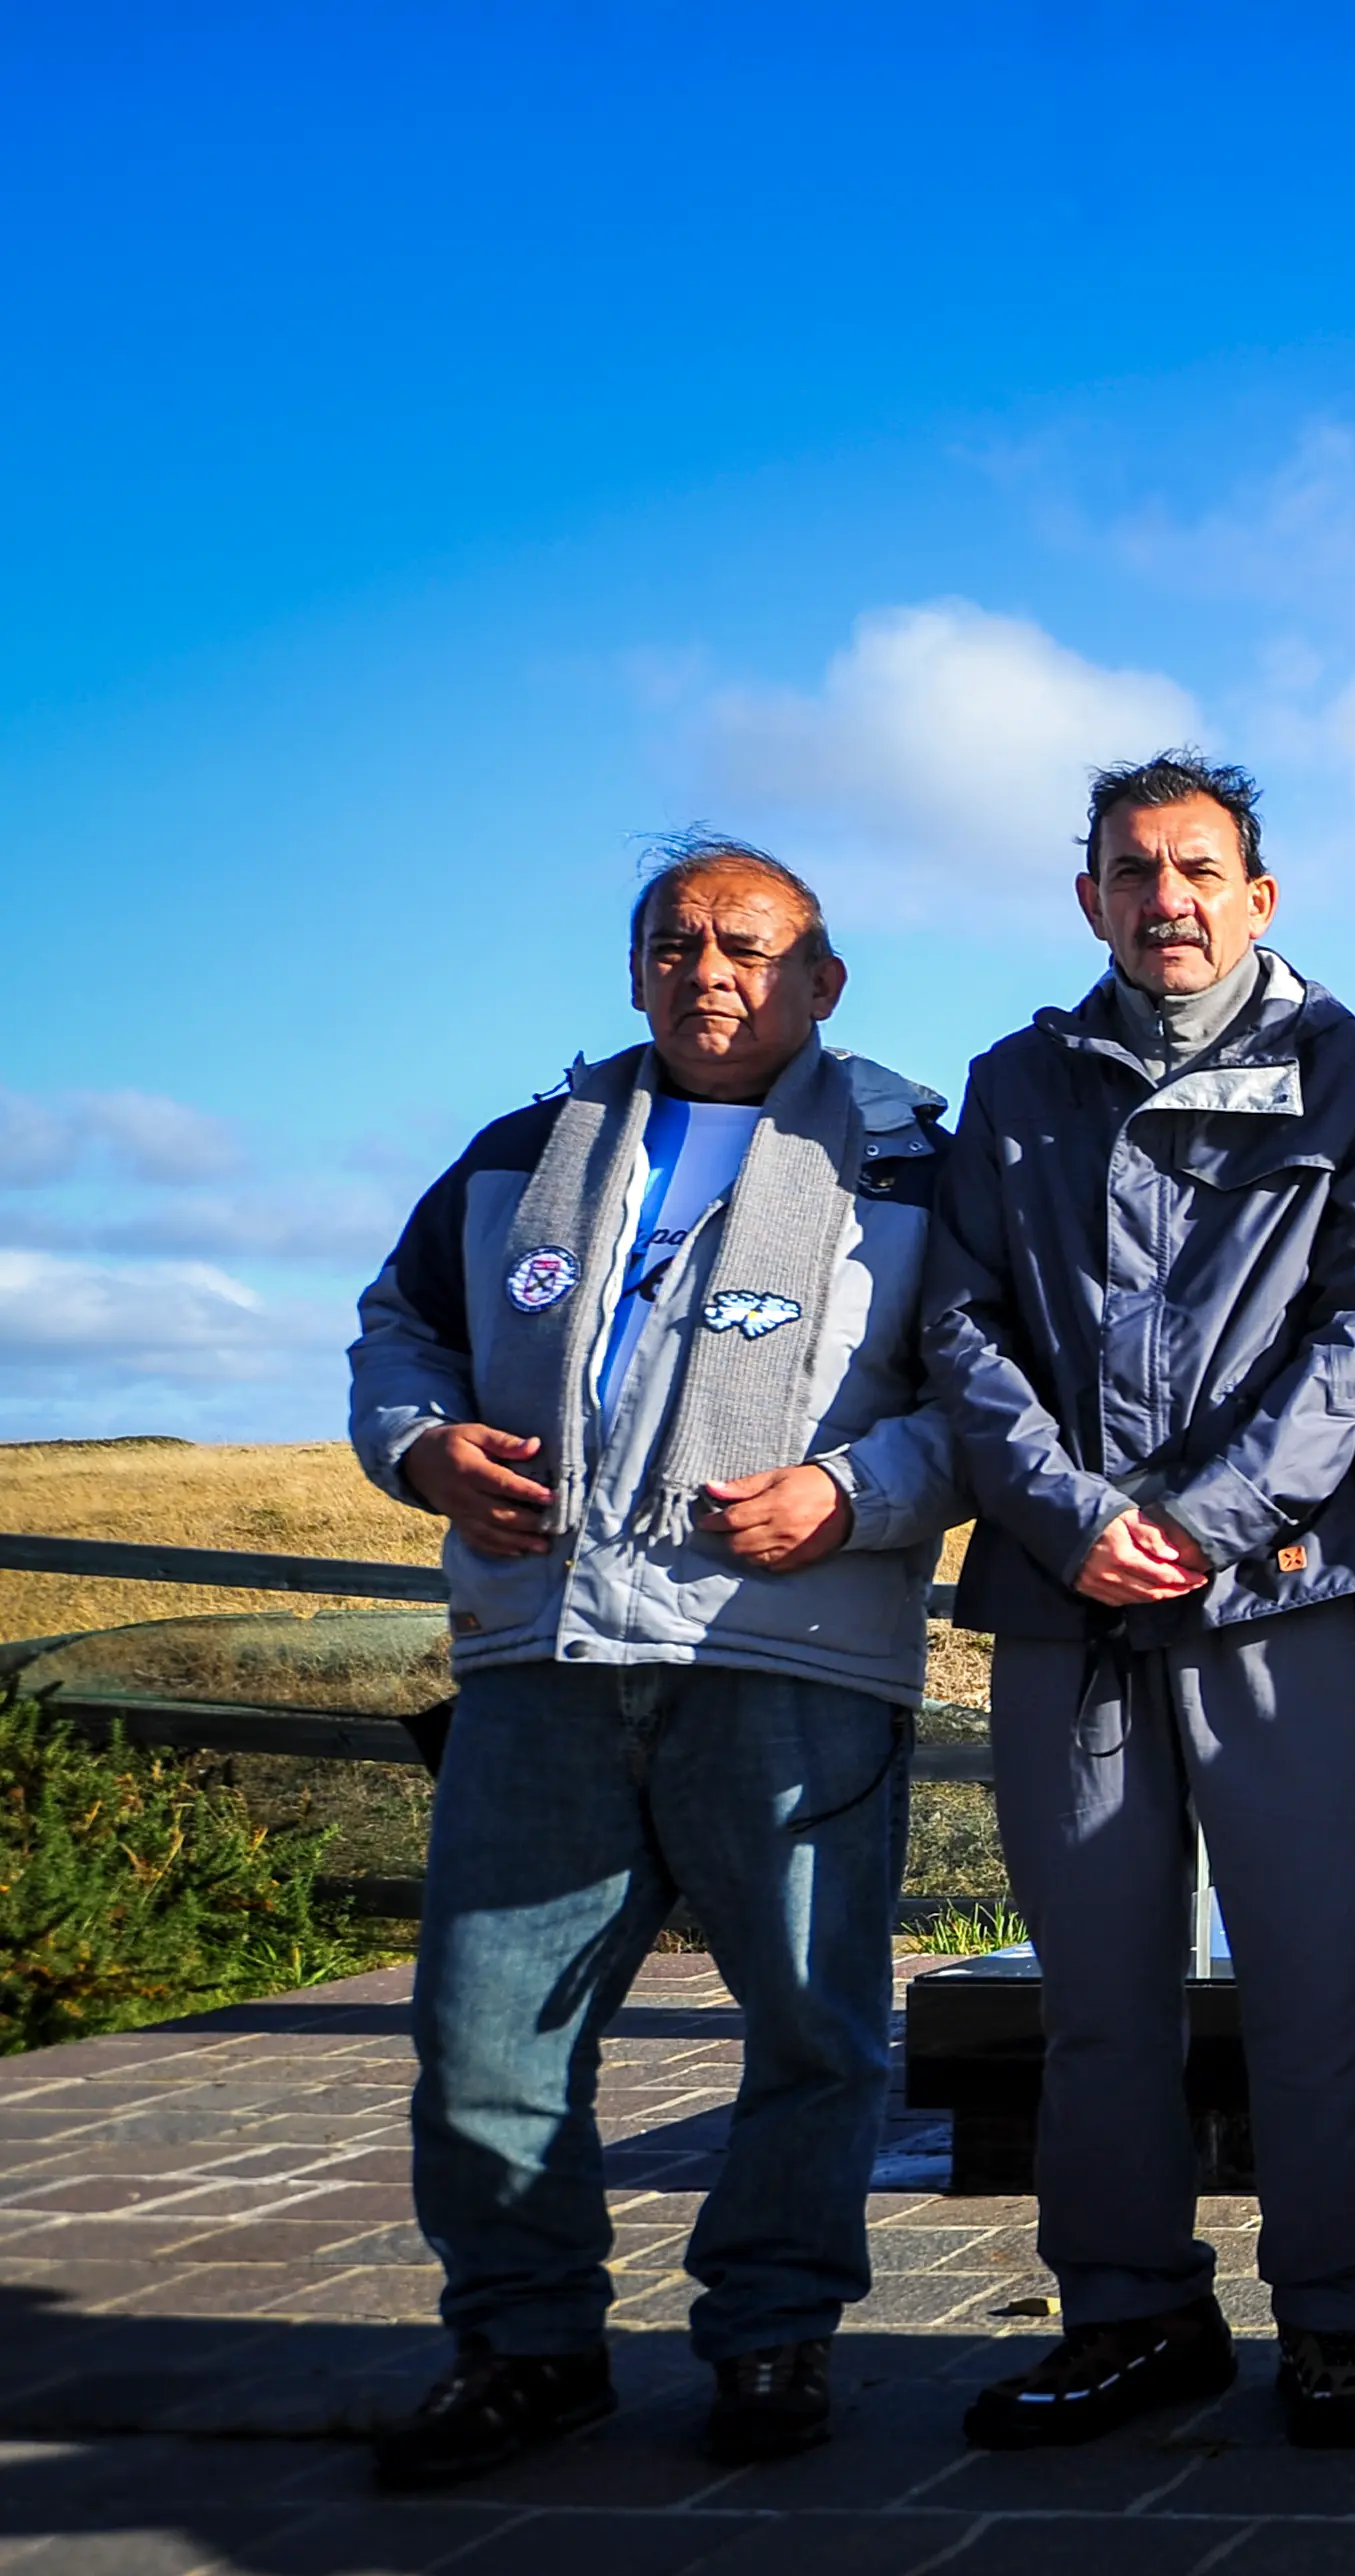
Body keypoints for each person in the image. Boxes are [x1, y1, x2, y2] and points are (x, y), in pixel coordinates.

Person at [348, 835, 963, 2486]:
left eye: (751, 948)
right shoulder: (516, 1154)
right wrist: (416, 1449)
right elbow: (397, 1330)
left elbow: (983, 1398)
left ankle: (773, 2342)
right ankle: (525, 2347)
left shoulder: (913, 1169)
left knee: (815, 2032)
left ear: (821, 982)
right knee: (487, 2031)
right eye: (678, 943)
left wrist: (854, 1489)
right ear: (635, 969)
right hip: (539, 1655)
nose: (712, 973)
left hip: (790, 1664)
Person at [919, 750, 1355, 2452]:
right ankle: (1131, 2311)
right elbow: (964, 1329)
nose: (1167, 900)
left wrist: (1206, 1522)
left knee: (1319, 1976)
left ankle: (1335, 2321)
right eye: (1133, 871)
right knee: (1098, 1996)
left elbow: (1353, 1340)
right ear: (1088, 896)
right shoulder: (1012, 1087)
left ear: (1258, 895)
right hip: (1068, 1605)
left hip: (1274, 1600)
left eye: (1198, 869)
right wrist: (1072, 1518)